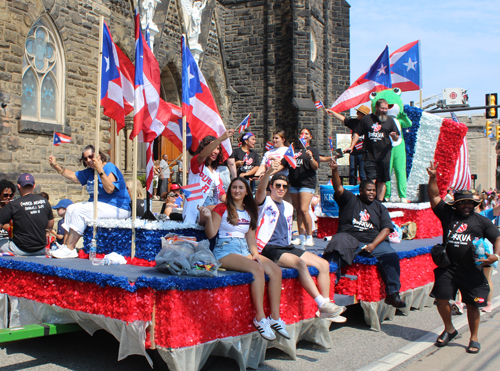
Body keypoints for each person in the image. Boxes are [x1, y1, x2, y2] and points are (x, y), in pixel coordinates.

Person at [201, 177, 290, 341]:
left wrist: (255, 254)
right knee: (257, 269)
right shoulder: (222, 208)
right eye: (234, 187)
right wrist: (207, 217)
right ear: (230, 190)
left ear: (246, 191)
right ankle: (260, 318)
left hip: (244, 248)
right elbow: (211, 234)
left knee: (275, 270)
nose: (237, 190)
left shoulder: (249, 211)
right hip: (225, 250)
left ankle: (275, 318)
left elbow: (250, 239)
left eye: (241, 187)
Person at [255, 161, 345, 321]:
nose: (281, 188)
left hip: (286, 246)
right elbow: (260, 190)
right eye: (277, 185)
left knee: (323, 264)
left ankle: (326, 306)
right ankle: (321, 303)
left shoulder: (289, 206)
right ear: (271, 186)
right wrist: (269, 172)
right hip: (269, 248)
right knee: (300, 264)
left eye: (284, 186)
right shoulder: (265, 202)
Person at [427, 161, 500, 354]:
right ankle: (449, 329)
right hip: (448, 267)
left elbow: (497, 237)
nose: (466, 206)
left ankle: (474, 338)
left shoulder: (481, 221)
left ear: (475, 204)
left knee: (472, 305)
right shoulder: (447, 215)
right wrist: (433, 177)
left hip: (472, 270)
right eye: (462, 203)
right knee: (441, 300)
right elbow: (434, 195)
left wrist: (496, 256)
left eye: (470, 203)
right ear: (456, 204)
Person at [328, 158, 406, 308]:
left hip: (373, 242)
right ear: (361, 191)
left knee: (391, 256)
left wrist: (373, 244)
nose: (372, 193)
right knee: (336, 246)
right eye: (369, 190)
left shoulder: (379, 207)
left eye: (374, 190)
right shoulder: (350, 200)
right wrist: (335, 170)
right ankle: (331, 287)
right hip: (350, 239)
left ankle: (393, 293)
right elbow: (338, 188)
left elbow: (386, 229)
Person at [48, 145, 131, 258]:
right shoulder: (89, 172)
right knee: (71, 208)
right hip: (100, 206)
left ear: (99, 155)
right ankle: (65, 246)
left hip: (117, 207)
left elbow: (110, 189)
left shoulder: (109, 167)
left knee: (79, 210)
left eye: (90, 157)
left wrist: (100, 170)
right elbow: (73, 176)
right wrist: (56, 166)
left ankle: (70, 248)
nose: (88, 160)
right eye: (85, 159)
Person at [346, 99, 400, 201]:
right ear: (376, 107)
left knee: (382, 181)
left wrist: (394, 136)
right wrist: (351, 146)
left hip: (384, 156)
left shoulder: (390, 120)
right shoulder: (367, 119)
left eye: (386, 108)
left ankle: (379, 203)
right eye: (382, 108)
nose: (384, 110)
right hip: (370, 155)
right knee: (371, 180)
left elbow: (397, 137)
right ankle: (370, 202)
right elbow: (357, 133)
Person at [277, 128, 320, 247]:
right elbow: (283, 164)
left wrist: (311, 157)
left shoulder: (313, 150)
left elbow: (316, 167)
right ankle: (301, 236)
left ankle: (309, 236)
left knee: (304, 209)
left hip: (307, 183)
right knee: (299, 211)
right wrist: (270, 173)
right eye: (302, 133)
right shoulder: (293, 149)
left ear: (310, 137)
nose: (303, 135)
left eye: (306, 134)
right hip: (294, 183)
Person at [182, 130, 234, 225]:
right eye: (213, 147)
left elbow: (222, 196)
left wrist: (236, 203)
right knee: (223, 210)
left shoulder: (216, 172)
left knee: (233, 210)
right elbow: (202, 155)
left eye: (218, 148)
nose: (215, 151)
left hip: (213, 205)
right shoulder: (196, 162)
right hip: (197, 208)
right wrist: (221, 138)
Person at [0, 174, 54, 256]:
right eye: (5, 195)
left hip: (20, 249)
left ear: (19, 186)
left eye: (11, 195)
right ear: (34, 185)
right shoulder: (45, 201)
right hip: (41, 249)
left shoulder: (14, 204)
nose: (8, 198)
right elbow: (50, 226)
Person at [326, 105, 369, 185]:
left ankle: (364, 189)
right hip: (353, 152)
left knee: (363, 173)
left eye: (358, 112)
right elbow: (343, 119)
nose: (356, 113)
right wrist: (332, 112)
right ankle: (352, 189)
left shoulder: (368, 124)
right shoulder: (354, 122)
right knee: (352, 172)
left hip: (363, 153)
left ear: (363, 114)